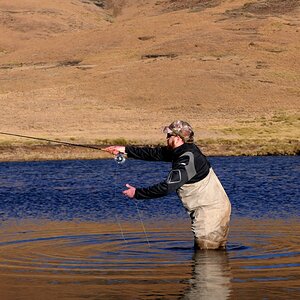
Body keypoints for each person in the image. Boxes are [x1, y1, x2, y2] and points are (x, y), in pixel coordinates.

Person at [104, 120, 231, 250]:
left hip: (210, 213)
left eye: (169, 135)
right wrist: (124, 150)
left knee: (207, 256)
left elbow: (167, 187)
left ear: (177, 137)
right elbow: (154, 153)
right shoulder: (184, 150)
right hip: (213, 208)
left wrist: (137, 193)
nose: (166, 138)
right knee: (215, 255)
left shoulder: (187, 160)